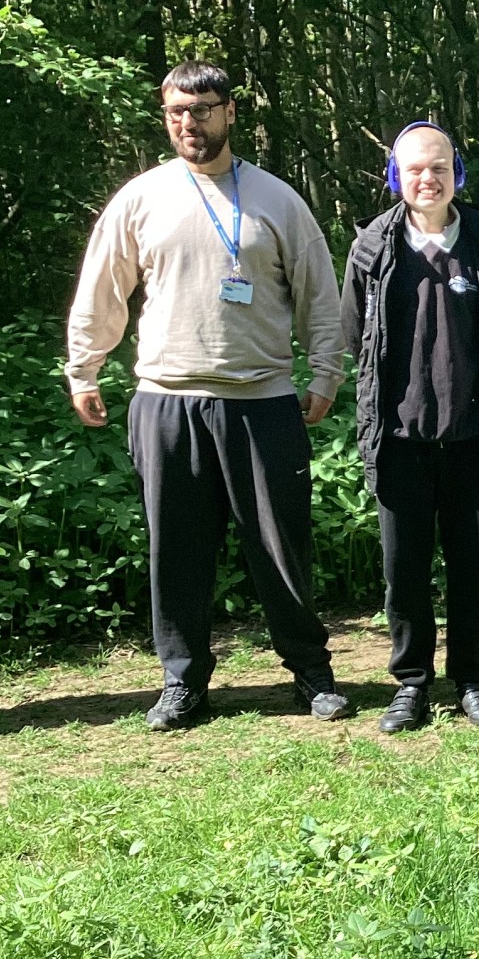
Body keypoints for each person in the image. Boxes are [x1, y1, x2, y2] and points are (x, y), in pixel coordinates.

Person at [65, 61, 349, 729]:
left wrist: (326, 374)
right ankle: (183, 681)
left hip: (262, 402)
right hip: (167, 401)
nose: (189, 123)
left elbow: (320, 297)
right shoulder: (142, 199)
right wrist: (84, 368)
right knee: (177, 553)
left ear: (229, 112)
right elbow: (102, 288)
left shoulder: (278, 200)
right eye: (176, 112)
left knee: (281, 549)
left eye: (202, 109)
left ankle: (311, 673)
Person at [340, 122, 479, 734]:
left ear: (456, 173)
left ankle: (470, 679)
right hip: (399, 443)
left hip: (473, 439)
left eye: (439, 167)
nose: (428, 179)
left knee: (475, 569)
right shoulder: (372, 248)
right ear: (397, 176)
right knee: (405, 572)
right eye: (415, 168)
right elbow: (356, 336)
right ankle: (411, 683)